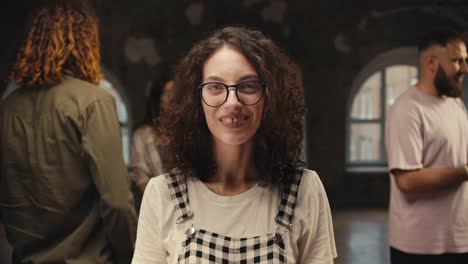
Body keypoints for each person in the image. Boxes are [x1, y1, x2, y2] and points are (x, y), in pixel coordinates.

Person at [132, 26, 337, 263]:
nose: (232, 102)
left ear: (270, 98)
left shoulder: (305, 190)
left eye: (248, 86)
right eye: (215, 87)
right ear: (196, 100)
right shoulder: (162, 194)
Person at [0, 1, 137, 263]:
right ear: (85, 41)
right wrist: (134, 257)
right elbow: (117, 202)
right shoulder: (93, 102)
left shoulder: (7, 108)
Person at [385, 28, 468, 263]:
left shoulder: (456, 105)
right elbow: (408, 181)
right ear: (431, 62)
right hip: (418, 246)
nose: (464, 69)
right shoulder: (407, 109)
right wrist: (465, 172)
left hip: (459, 240)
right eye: (456, 61)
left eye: (465, 60)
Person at [131, 68, 175, 194]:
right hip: (158, 202)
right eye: (169, 92)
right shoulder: (142, 135)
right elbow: (141, 178)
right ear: (159, 98)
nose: (174, 97)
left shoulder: (188, 129)